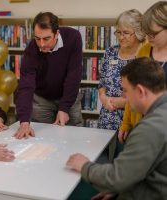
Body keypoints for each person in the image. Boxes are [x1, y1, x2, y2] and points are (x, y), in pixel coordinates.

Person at [66, 57, 167, 200]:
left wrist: (83, 165)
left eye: (125, 90)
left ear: (140, 91)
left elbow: (115, 178)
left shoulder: (150, 128)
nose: (123, 95)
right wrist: (121, 187)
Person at [15, 12, 83, 139]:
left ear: (57, 33)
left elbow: (74, 75)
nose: (41, 44)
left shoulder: (73, 37)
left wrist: (64, 107)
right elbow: (25, 86)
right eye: (37, 38)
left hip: (68, 96)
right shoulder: (32, 49)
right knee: (43, 138)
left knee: (74, 136)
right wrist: (24, 121)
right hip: (42, 100)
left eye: (46, 39)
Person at [118, 1, 167, 143]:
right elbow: (132, 91)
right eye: (147, 33)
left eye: (153, 34)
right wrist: (126, 123)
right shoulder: (144, 50)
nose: (148, 37)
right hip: (142, 127)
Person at [98, 9, 145, 131]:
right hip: (107, 117)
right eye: (118, 32)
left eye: (126, 33)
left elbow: (148, 93)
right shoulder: (110, 52)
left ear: (138, 33)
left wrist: (124, 102)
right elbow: (102, 82)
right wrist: (103, 97)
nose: (121, 37)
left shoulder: (144, 54)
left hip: (133, 119)